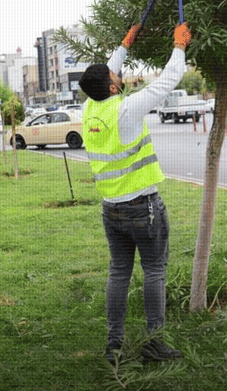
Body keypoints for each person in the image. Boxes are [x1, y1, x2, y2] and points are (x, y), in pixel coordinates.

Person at [79, 21, 191, 364]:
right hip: (143, 208)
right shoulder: (125, 110)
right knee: (154, 271)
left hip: (111, 209)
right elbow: (168, 81)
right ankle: (154, 344)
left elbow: (105, 72)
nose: (118, 75)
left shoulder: (90, 108)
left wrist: (125, 44)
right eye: (115, 77)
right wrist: (179, 46)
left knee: (119, 273)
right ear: (113, 88)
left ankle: (113, 346)